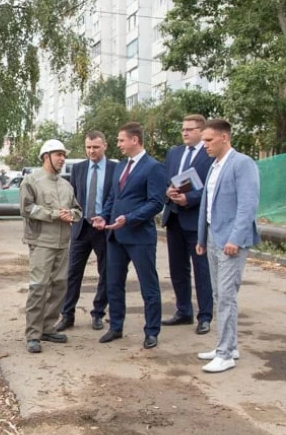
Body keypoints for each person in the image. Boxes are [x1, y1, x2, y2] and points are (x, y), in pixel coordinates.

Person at [196, 119, 260, 373]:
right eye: (203, 141)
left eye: (209, 140)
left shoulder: (242, 163)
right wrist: (202, 238)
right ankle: (228, 345)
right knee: (217, 295)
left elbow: (248, 204)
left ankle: (225, 354)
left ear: (224, 137)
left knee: (226, 296)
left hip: (231, 241)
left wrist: (236, 238)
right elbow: (207, 204)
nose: (205, 146)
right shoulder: (214, 166)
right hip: (213, 237)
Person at [93, 122, 165, 349]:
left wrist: (130, 218)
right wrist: (103, 217)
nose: (118, 144)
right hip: (115, 237)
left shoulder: (153, 167)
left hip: (140, 237)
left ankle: (151, 331)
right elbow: (113, 198)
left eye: (121, 140)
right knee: (114, 284)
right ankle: (115, 326)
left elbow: (156, 202)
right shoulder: (121, 165)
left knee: (148, 285)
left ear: (135, 140)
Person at [20, 139, 82, 354]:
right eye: (58, 155)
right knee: (39, 287)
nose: (62, 159)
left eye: (63, 155)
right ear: (46, 156)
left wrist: (71, 215)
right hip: (41, 242)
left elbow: (77, 209)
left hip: (62, 243)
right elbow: (26, 208)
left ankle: (47, 327)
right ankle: (33, 334)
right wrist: (54, 214)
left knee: (59, 285)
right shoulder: (31, 181)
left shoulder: (66, 185)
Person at [55, 130, 116, 333]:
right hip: (81, 228)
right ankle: (67, 314)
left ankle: (98, 313)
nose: (92, 151)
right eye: (88, 147)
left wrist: (107, 219)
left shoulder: (115, 168)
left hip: (104, 229)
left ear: (105, 146)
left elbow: (116, 198)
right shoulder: (79, 168)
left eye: (96, 147)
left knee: (105, 272)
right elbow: (73, 195)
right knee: (72, 273)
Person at [161, 115, 214, 335]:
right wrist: (168, 192)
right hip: (173, 217)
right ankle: (183, 311)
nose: (184, 133)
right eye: (183, 129)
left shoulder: (209, 154)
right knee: (177, 268)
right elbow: (165, 179)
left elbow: (212, 186)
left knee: (201, 269)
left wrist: (189, 199)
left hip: (195, 219)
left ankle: (205, 316)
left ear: (201, 131)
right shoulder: (174, 153)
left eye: (189, 129)